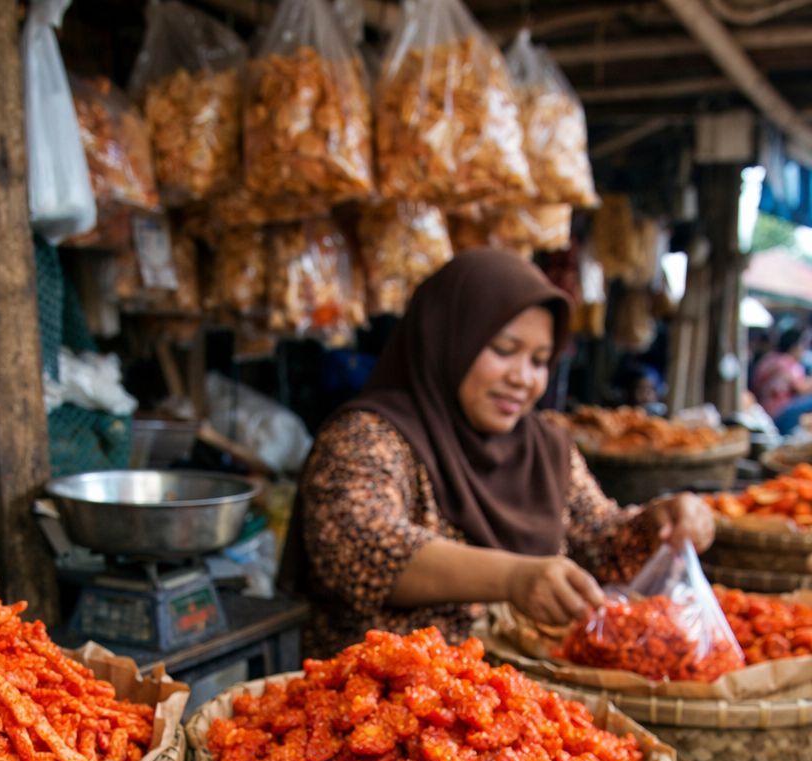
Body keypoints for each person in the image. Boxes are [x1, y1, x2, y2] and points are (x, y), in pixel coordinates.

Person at [293, 250, 716, 654]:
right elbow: (361, 547)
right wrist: (513, 577)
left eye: (539, 360)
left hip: (520, 700)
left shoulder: (546, 447)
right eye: (504, 350)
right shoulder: (367, 436)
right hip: (383, 707)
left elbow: (600, 540)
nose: (524, 378)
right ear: (446, 339)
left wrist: (659, 522)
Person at [752, 321, 810, 423]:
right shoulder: (789, 363)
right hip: (780, 413)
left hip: (762, 411)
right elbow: (801, 388)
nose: (803, 351)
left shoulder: (768, 359)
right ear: (794, 347)